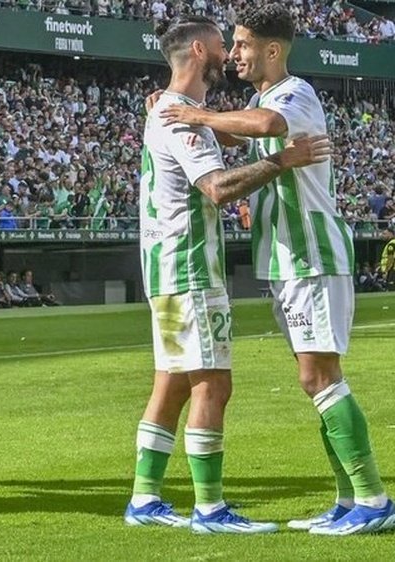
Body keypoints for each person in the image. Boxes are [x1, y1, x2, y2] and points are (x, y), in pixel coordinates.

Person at [160, 5, 395, 535]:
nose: (234, 53)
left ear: (272, 50)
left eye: (242, 44)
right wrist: (173, 104)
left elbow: (266, 127)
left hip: (310, 254)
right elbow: (245, 133)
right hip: (288, 259)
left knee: (320, 377)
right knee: (316, 379)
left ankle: (373, 500)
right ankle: (347, 500)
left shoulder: (294, 94)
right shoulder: (260, 98)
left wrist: (196, 116)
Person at [125, 15, 330, 533]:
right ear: (200, 49)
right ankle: (211, 510)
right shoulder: (181, 119)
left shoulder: (175, 112)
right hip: (190, 268)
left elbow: (232, 134)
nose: (230, 53)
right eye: (222, 44)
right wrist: (284, 160)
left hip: (164, 266)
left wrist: (200, 116)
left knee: (170, 384)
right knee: (213, 384)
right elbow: (216, 188)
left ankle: (144, 499)